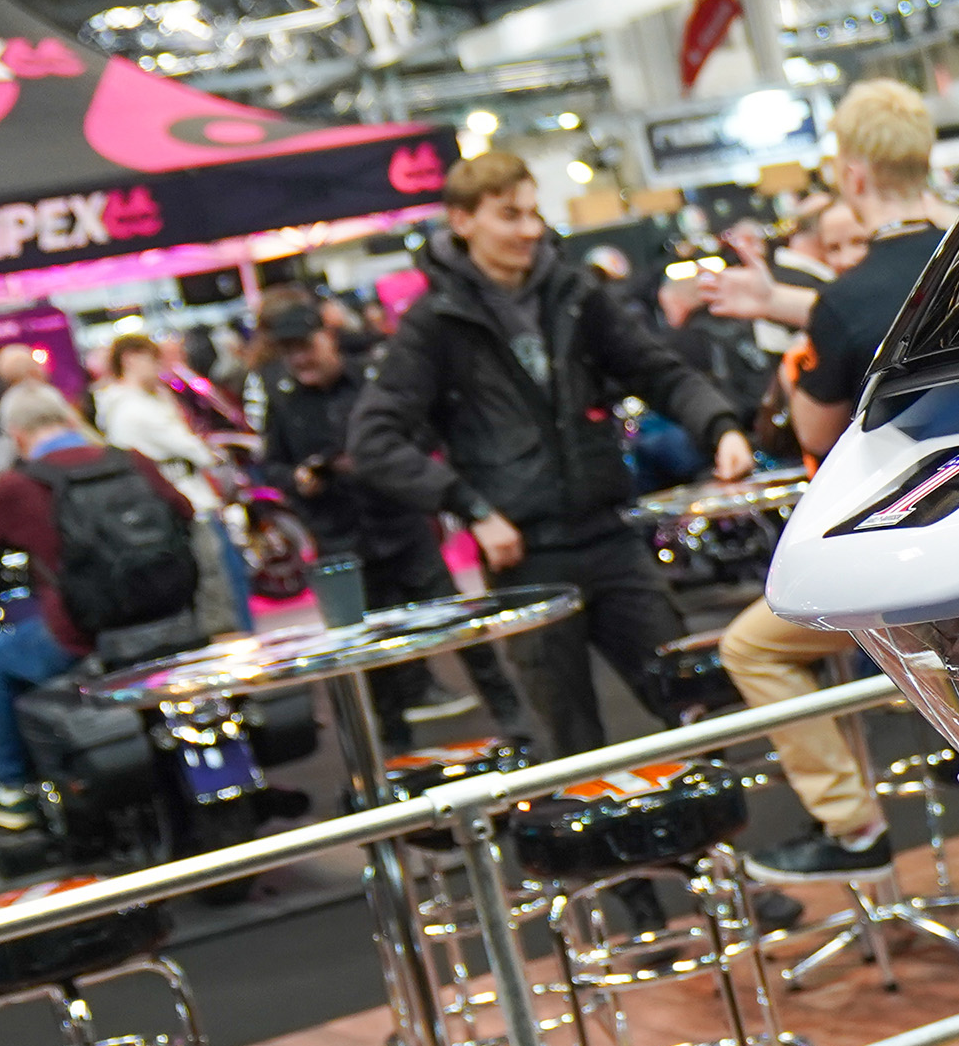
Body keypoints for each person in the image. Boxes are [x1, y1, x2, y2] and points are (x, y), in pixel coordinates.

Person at [710, 81, 959, 973]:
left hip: (903, 555)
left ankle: (852, 823)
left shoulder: (847, 297)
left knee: (753, 646)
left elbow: (817, 431)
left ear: (853, 175)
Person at [344, 148, 752, 765]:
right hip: (526, 562)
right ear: (462, 220)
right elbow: (373, 440)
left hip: (610, 538)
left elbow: (657, 371)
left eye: (534, 213)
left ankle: (716, 830)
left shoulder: (575, 293)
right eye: (510, 215)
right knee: (572, 748)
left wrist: (720, 427)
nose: (530, 230)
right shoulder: (435, 323)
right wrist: (472, 509)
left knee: (694, 711)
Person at [0, 419, 202, 828]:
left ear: (18, 436)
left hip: (84, 634)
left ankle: (11, 790)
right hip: (171, 615)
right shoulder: (131, 461)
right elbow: (184, 510)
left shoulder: (21, 486)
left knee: (1, 660)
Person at [252, 296, 524, 734]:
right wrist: (299, 479)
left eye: (306, 345)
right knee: (368, 654)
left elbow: (420, 434)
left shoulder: (374, 381)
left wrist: (383, 464)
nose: (300, 358)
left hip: (401, 526)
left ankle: (513, 719)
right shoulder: (282, 401)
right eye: (289, 350)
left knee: (459, 625)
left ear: (328, 338)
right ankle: (394, 744)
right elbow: (272, 466)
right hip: (341, 541)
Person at [94, 330, 248, 630]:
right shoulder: (132, 409)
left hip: (187, 505)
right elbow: (191, 448)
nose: (159, 368)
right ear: (130, 359)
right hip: (186, 508)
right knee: (219, 592)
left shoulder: (139, 402)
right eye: (153, 360)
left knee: (222, 588)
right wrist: (205, 452)